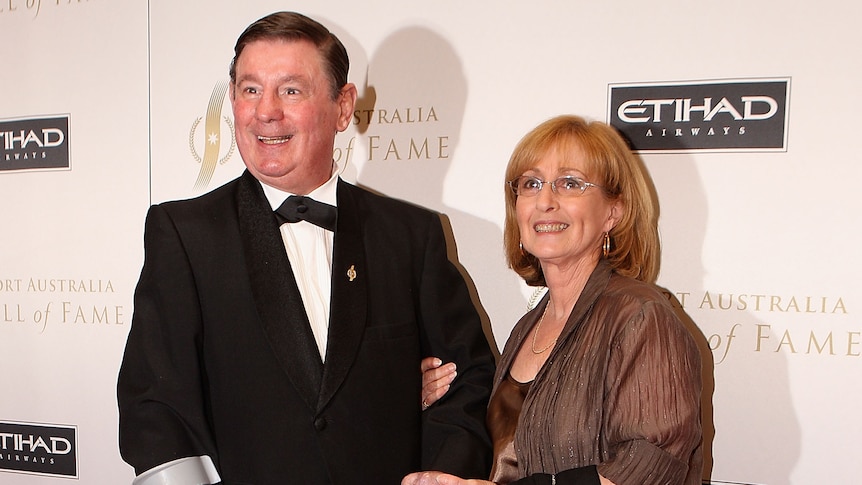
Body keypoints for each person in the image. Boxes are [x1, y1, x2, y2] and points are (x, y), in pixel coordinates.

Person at [117, 11, 495, 484]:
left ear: (342, 107)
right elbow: (155, 406)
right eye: (250, 89)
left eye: (291, 90)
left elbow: (467, 377)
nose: (265, 111)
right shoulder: (185, 234)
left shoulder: (411, 235)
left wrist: (444, 474)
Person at [407, 115, 702, 485]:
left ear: (614, 211)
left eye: (570, 183)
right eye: (531, 184)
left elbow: (647, 467)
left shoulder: (640, 317)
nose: (545, 201)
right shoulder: (527, 327)